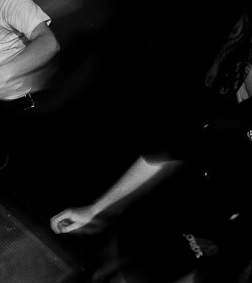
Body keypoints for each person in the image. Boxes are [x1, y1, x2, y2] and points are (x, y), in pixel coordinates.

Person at [50, 98, 252, 282]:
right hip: (146, 230)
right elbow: (165, 156)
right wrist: (96, 210)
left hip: (190, 256)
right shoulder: (245, 120)